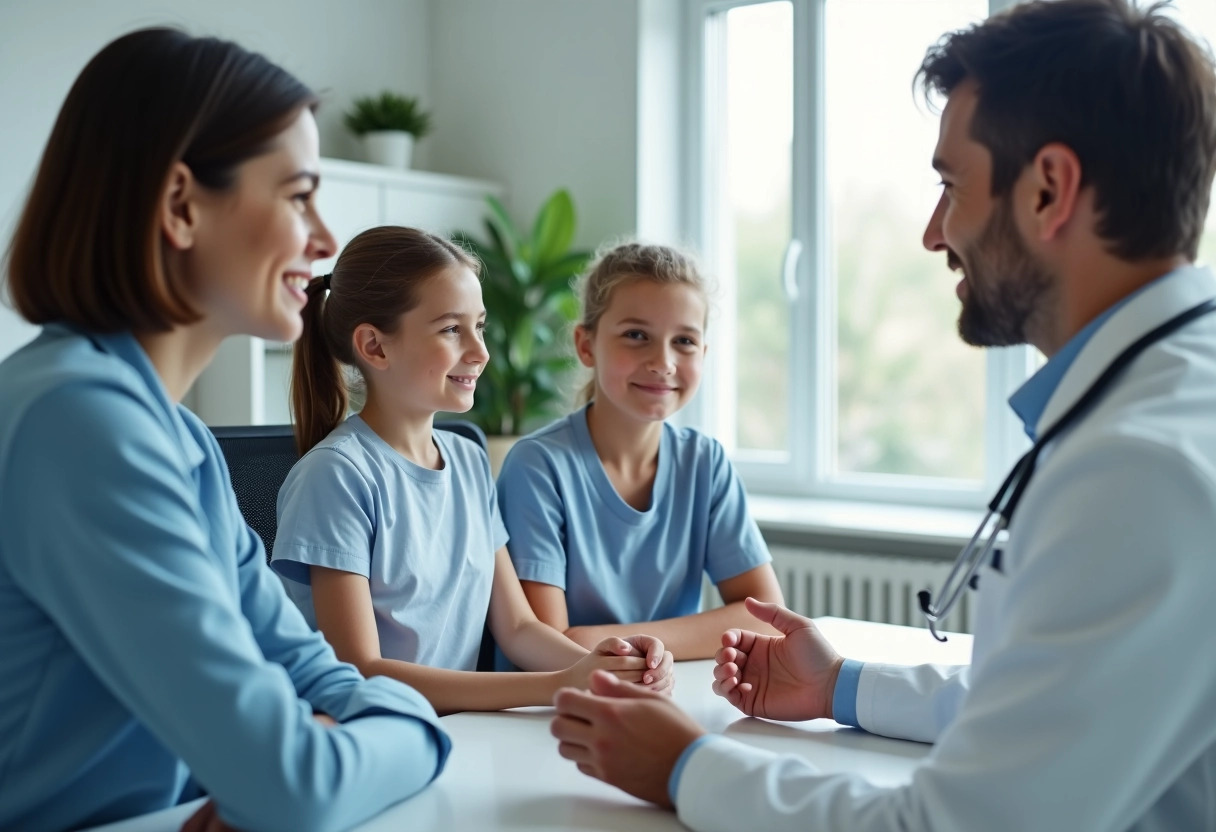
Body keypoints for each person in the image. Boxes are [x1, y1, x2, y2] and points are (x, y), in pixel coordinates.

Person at [549, 1, 1216, 829]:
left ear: (1049, 190)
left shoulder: (1144, 465)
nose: (935, 234)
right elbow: (1055, 697)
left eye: (951, 185)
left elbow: (955, 824)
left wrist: (688, 766)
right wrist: (842, 685)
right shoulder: (1163, 408)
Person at [0, 28, 453, 832]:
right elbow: (294, 787)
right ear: (181, 206)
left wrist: (343, 728)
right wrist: (411, 724)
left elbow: (308, 665)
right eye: (298, 194)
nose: (323, 239)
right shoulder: (80, 423)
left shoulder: (176, 439)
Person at [270, 225, 674, 715]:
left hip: (454, 733)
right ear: (375, 346)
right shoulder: (336, 476)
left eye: (479, 326)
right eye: (450, 329)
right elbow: (360, 669)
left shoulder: (467, 460)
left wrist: (608, 667)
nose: (480, 352)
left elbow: (519, 629)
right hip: (361, 736)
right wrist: (558, 686)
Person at [497, 242, 784, 660]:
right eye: (636, 335)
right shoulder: (538, 466)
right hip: (547, 711)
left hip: (663, 688)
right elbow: (551, 645)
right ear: (586, 345)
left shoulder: (705, 463)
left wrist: (600, 640)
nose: (663, 361)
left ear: (703, 354)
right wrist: (687, 638)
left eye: (684, 341)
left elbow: (764, 618)